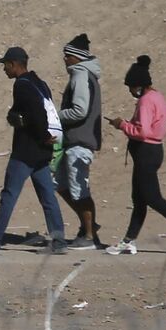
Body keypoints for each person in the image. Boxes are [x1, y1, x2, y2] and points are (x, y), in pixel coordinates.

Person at [105, 54, 166, 256]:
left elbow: (143, 131)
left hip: (146, 153)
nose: (130, 91)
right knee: (139, 199)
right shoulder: (157, 97)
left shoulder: (146, 101)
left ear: (138, 85)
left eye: (130, 87)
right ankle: (128, 241)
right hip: (151, 152)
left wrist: (122, 124)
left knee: (152, 198)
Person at [0, 46, 66, 254]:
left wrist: (42, 134)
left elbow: (36, 114)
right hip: (42, 152)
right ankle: (59, 242)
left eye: (5, 65)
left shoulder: (22, 85)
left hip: (25, 152)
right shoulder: (39, 83)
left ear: (14, 64)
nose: (4, 70)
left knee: (9, 195)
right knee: (48, 197)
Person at [57, 34, 104, 248]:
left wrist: (55, 116)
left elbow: (79, 110)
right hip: (74, 142)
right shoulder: (83, 75)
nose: (64, 59)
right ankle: (89, 227)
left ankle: (89, 236)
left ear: (76, 57)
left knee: (79, 190)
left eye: (67, 55)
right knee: (59, 184)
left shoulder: (80, 74)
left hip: (80, 142)